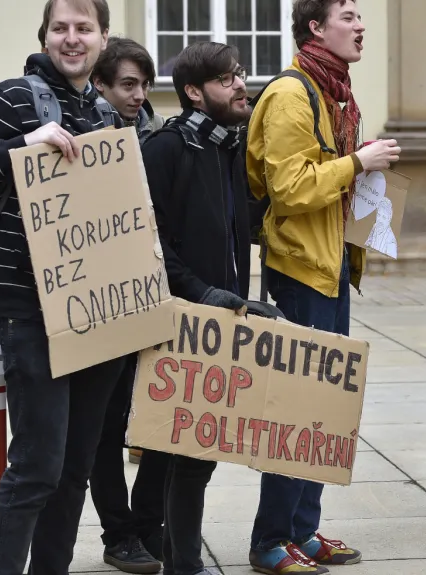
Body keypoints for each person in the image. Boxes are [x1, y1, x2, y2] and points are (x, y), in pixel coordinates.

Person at [0, 1, 128, 573]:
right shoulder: (10, 98)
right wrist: (19, 149)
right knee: (36, 468)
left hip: (99, 311)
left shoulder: (103, 112)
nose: (72, 39)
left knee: (74, 471)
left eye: (84, 29)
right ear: (44, 36)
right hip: (30, 312)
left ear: (103, 37)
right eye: (60, 29)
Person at [245, 0, 400, 573]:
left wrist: (362, 172)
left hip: (329, 265)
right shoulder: (292, 93)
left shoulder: (334, 91)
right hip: (298, 269)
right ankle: (269, 541)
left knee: (326, 408)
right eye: (349, 16)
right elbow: (289, 188)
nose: (361, 26)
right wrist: (359, 162)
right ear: (316, 27)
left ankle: (303, 533)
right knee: (294, 410)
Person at [141, 41, 283, 575]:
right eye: (227, 79)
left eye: (240, 73)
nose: (240, 84)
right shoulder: (166, 149)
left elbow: (232, 228)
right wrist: (201, 292)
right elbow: (150, 243)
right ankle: (181, 564)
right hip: (181, 320)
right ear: (194, 93)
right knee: (188, 454)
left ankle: (174, 554)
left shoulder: (226, 147)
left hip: (219, 320)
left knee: (194, 453)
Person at [87, 34, 168, 574]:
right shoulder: (83, 133)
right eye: (128, 85)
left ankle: (146, 524)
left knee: (162, 417)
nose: (138, 95)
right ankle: (119, 534)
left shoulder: (154, 134)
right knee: (106, 424)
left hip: (151, 293)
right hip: (99, 300)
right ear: (100, 85)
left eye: (144, 85)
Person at [92, 36, 165, 140]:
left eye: (145, 84)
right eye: (129, 84)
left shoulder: (158, 126)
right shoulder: (81, 126)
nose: (140, 96)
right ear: (99, 83)